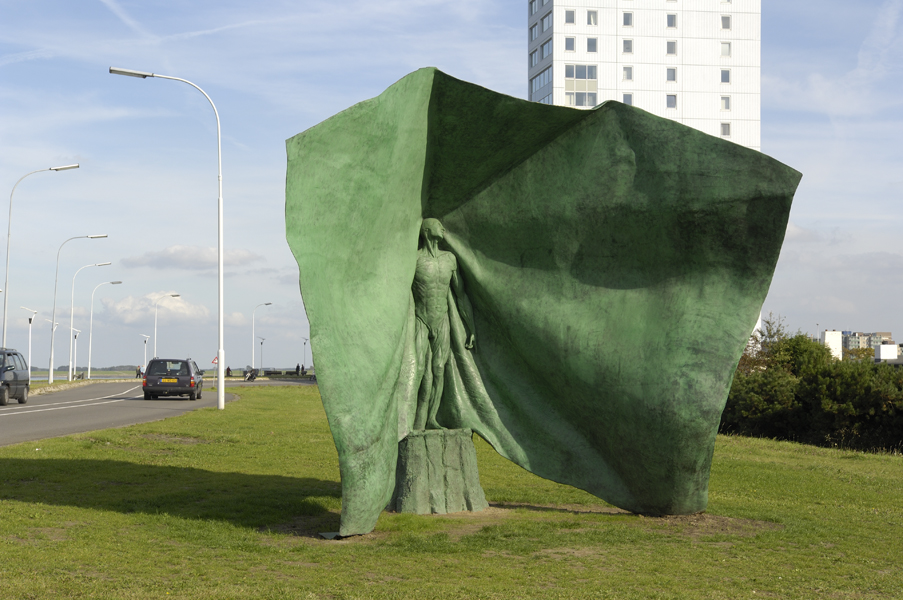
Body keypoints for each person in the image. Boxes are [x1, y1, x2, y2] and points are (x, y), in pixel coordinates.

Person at [410, 218, 476, 430]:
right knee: (419, 370)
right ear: (427, 231)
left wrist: (471, 327)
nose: (444, 228)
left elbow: (461, 295)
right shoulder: (414, 259)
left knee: (438, 369)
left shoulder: (450, 259)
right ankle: (412, 420)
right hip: (421, 319)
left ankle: (430, 419)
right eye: (439, 226)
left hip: (442, 320)